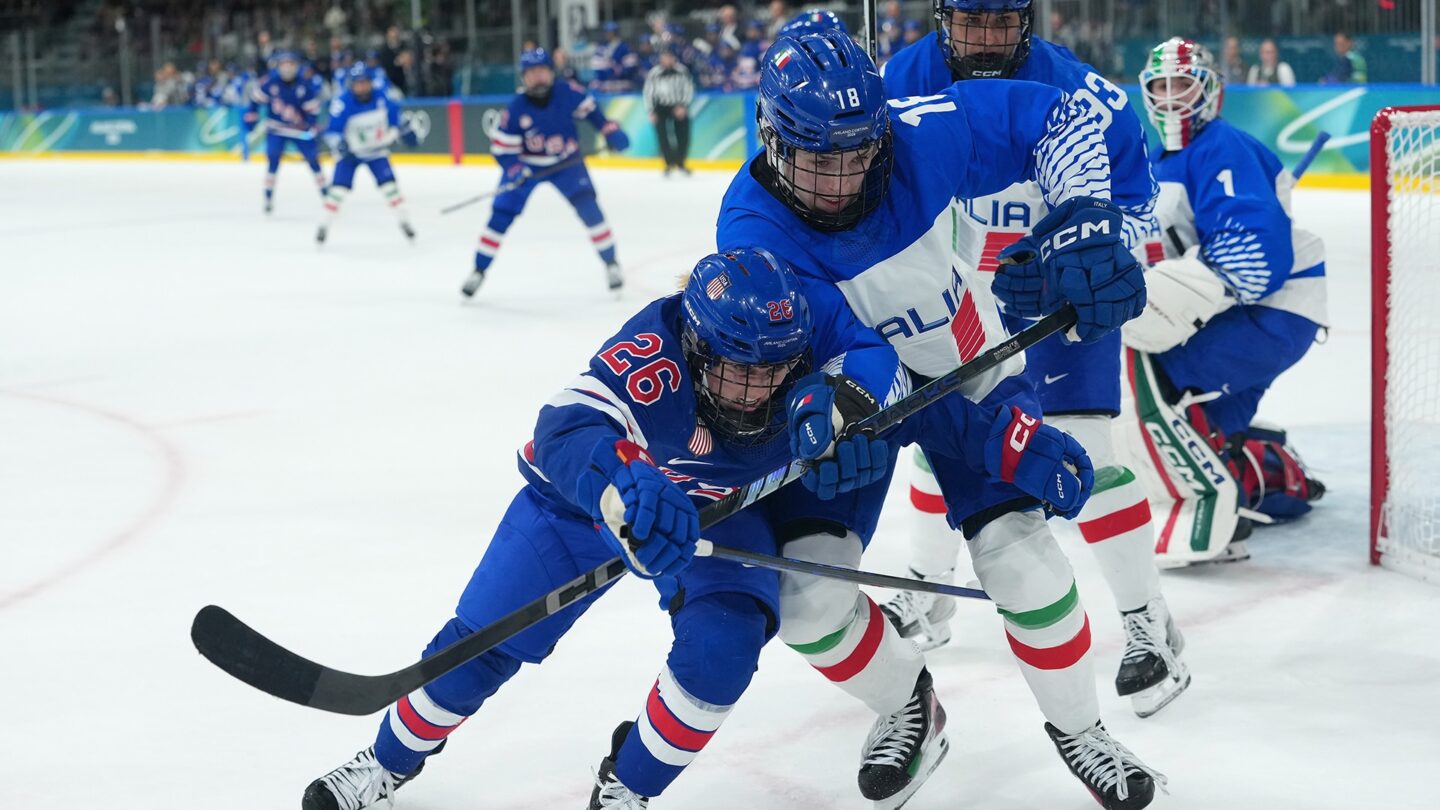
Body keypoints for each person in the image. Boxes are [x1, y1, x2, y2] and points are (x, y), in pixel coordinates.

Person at [717, 28, 1163, 810]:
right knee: (808, 600)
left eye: (859, 152)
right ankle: (906, 704)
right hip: (847, 396)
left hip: (967, 374)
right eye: (820, 159)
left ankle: (1081, 730)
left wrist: (1086, 220)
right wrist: (814, 421)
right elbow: (853, 364)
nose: (843, 180)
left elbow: (1064, 120)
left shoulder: (921, 132)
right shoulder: (754, 234)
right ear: (771, 135)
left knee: (1022, 557)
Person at [298, 247, 913, 809]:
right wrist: (624, 489)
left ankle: (629, 788)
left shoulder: (804, 324)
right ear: (697, 346)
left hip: (721, 509)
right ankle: (385, 765)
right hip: (582, 504)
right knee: (483, 643)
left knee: (722, 652)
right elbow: (565, 428)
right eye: (737, 368)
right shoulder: (654, 353)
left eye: (775, 368)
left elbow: (880, 362)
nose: (758, 389)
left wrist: (845, 406)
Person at [879, 0, 1190, 722]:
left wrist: (1069, 264)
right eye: (969, 22)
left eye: (1001, 23)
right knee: (943, 436)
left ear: (1027, 21)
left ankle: (1151, 622)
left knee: (1085, 447)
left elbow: (1135, 207)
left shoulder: (1082, 95)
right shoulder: (902, 78)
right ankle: (928, 592)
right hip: (962, 292)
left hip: (1059, 295)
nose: (985, 40)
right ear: (940, 17)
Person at [1128, 37, 1327, 559]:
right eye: (1160, 86)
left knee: (1145, 377)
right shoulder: (1156, 161)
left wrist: (1173, 291)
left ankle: (1206, 506)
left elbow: (1256, 254)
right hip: (1238, 317)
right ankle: (1255, 482)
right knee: (1206, 430)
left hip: (1269, 313)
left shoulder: (1221, 146)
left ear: (1208, 89)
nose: (1171, 98)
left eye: (1182, 84)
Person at [463, 49, 631, 298]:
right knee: (501, 215)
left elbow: (595, 114)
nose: (538, 78)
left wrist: (609, 130)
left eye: (542, 71)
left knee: (590, 210)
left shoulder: (568, 92)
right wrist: (516, 168)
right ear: (524, 77)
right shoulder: (515, 110)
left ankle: (611, 264)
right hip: (528, 167)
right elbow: (501, 150)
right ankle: (478, 270)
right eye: (532, 74)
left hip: (567, 164)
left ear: (551, 73)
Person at [316, 63, 424, 245]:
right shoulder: (343, 102)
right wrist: (340, 145)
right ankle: (324, 225)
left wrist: (406, 131)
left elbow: (397, 120)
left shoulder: (382, 97)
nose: (362, 86)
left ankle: (404, 222)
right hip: (350, 154)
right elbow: (332, 132)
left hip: (376, 152)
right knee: (338, 191)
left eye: (365, 82)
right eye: (358, 83)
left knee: (390, 188)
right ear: (352, 85)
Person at [244, 50, 327, 215]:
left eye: (291, 64)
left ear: (296, 66)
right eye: (284, 64)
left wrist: (311, 125)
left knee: (313, 159)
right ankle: (268, 196)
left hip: (299, 130)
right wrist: (251, 119)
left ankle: (327, 194)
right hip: (277, 129)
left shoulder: (305, 85)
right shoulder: (270, 83)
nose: (287, 68)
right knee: (273, 159)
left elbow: (313, 110)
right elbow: (255, 100)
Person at [643, 48, 695, 177]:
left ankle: (681, 162)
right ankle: (668, 163)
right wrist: (650, 110)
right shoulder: (654, 73)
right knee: (662, 136)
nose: (666, 59)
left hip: (678, 105)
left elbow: (689, 88)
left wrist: (683, 105)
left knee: (683, 135)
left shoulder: (682, 71)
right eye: (664, 56)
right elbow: (648, 92)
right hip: (660, 107)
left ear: (673, 57)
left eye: (668, 56)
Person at [590, 22, 637, 93]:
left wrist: (617, 71)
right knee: (594, 85)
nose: (609, 34)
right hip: (606, 83)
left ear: (616, 33)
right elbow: (597, 69)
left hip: (622, 82)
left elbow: (630, 68)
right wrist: (608, 73)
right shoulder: (601, 48)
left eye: (611, 32)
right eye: (607, 32)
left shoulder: (625, 47)